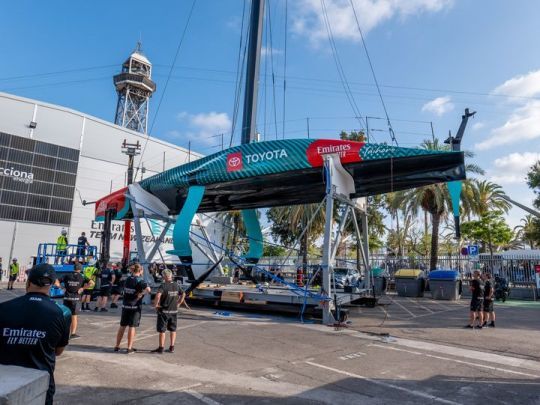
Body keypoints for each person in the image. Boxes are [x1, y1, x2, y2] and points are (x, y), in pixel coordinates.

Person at [0, 263, 71, 405]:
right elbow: (58, 351)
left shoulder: (3, 308)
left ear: (28, 282)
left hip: (5, 383)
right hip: (39, 384)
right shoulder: (62, 312)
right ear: (51, 284)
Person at [115, 263, 150, 353]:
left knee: (122, 326)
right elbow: (148, 290)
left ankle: (117, 346)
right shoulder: (140, 280)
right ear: (140, 271)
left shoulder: (127, 279)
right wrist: (141, 294)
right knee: (132, 326)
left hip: (125, 305)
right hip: (135, 306)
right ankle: (129, 348)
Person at [152, 269, 185, 354]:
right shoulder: (176, 285)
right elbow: (183, 293)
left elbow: (158, 295)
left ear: (164, 276)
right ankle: (172, 347)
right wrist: (179, 303)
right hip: (174, 311)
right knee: (173, 330)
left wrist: (155, 305)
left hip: (164, 311)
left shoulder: (163, 285)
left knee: (162, 330)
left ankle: (161, 348)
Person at [59, 263, 88, 338]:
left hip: (67, 298)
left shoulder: (67, 275)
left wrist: (61, 287)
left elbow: (56, 280)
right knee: (74, 316)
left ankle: (63, 332)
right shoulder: (82, 276)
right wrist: (82, 288)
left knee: (65, 316)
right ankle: (73, 333)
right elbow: (92, 283)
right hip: (76, 299)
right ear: (80, 269)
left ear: (73, 268)